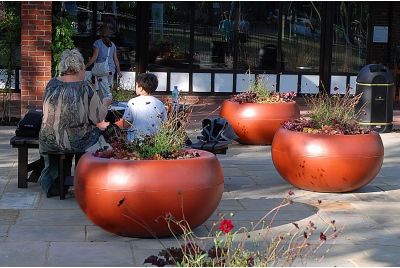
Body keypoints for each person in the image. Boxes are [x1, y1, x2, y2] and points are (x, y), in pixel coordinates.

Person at [39, 48, 112, 197]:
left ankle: (58, 182)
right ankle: (85, 179)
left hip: (48, 139)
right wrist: (105, 103)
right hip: (73, 140)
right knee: (102, 134)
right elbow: (98, 116)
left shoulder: (51, 83)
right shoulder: (85, 87)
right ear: (79, 67)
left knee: (75, 131)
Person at [122, 73, 167, 141]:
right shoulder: (160, 104)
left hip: (135, 140)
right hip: (154, 140)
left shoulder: (132, 102)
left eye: (136, 85)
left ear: (141, 88)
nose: (135, 87)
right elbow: (165, 123)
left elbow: (125, 124)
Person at [85, 24, 121, 101]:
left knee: (105, 91)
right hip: (111, 70)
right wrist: (118, 72)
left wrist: (85, 66)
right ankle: (101, 106)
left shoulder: (97, 43)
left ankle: (108, 106)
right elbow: (116, 60)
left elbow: (94, 57)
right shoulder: (112, 44)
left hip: (102, 70)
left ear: (100, 33)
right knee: (104, 88)